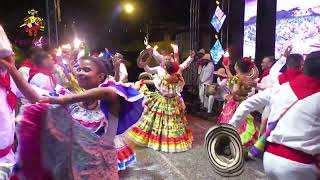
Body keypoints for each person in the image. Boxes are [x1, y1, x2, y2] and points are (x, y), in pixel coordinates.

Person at [0, 56, 144, 179]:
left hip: (101, 170)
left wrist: (64, 100)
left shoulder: (108, 102)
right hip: (73, 168)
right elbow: (36, 98)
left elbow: (107, 92)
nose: (80, 73)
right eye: (79, 69)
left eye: (86, 70)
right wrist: (12, 70)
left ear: (101, 76)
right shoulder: (71, 102)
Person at [228, 51, 320, 180]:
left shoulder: (281, 87)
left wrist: (229, 129)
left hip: (270, 159)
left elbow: (247, 104)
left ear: (304, 66)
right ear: (300, 65)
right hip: (301, 165)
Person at [127, 59, 192, 152]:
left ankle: (161, 140)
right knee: (173, 122)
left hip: (164, 101)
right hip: (174, 102)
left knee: (159, 121)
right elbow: (179, 89)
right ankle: (173, 141)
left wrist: (143, 81)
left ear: (166, 68)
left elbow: (156, 84)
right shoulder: (179, 77)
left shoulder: (164, 79)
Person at [217, 57, 259, 148]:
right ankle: (242, 141)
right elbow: (233, 79)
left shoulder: (237, 78)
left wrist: (231, 93)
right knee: (244, 122)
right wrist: (227, 68)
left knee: (232, 121)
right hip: (244, 101)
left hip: (235, 102)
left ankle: (233, 140)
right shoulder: (247, 78)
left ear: (237, 67)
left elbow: (235, 90)